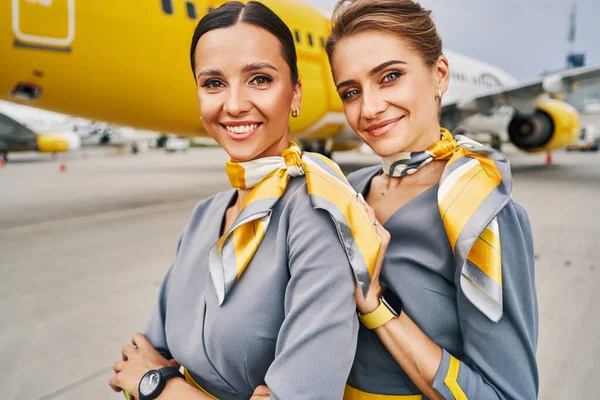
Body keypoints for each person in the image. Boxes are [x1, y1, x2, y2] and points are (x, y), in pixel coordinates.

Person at [108, 2, 383, 399]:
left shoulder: (319, 216)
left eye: (259, 79)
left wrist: (161, 387)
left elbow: (144, 375)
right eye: (214, 83)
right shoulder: (205, 215)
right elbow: (138, 356)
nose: (234, 104)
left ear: (295, 94)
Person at [325, 0, 539, 399]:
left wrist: (377, 308)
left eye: (390, 76)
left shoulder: (479, 209)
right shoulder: (347, 189)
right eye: (351, 91)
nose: (369, 108)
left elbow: (508, 394)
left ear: (439, 75)